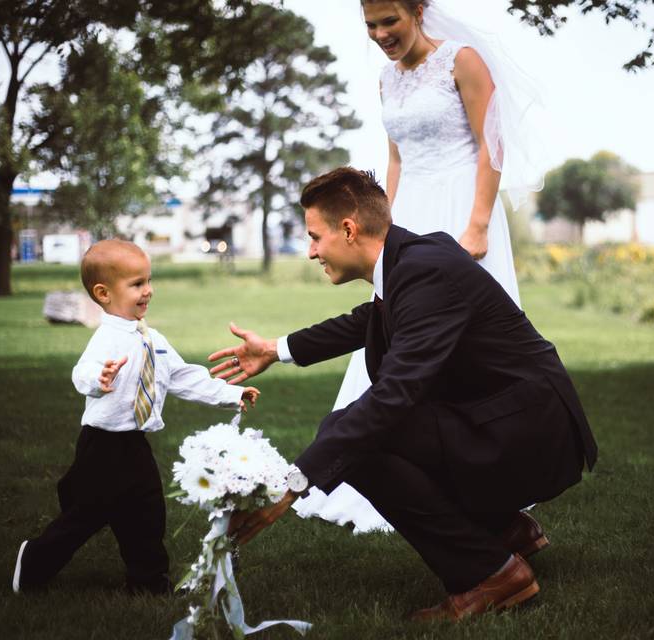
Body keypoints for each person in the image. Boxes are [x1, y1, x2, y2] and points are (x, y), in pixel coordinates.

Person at [209, 168, 596, 621]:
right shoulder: (411, 259)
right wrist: (275, 350)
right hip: (509, 420)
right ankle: (503, 529)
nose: (311, 251)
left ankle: (489, 573)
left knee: (361, 440)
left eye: (315, 237)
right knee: (356, 432)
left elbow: (395, 393)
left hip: (529, 435)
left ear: (349, 229)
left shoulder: (424, 270)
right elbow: (365, 322)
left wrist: (294, 484)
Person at [294, 0, 553, 533]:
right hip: (408, 208)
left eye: (390, 21)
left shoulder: (462, 60)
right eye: (370, 25)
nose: (381, 33)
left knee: (458, 339)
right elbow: (395, 160)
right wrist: (382, 224)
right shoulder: (387, 80)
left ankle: (479, 462)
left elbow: (491, 145)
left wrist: (478, 223)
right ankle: (385, 470)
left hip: (461, 203)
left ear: (417, 10)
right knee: (392, 324)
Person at [11, 239, 260, 595]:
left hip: (135, 442)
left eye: (148, 281)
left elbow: (182, 376)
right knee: (88, 512)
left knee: (147, 509)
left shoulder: (152, 338)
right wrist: (99, 378)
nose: (149, 291)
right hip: (103, 443)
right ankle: (35, 560)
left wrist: (232, 394)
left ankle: (148, 580)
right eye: (137, 284)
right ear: (104, 293)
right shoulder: (106, 338)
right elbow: (82, 372)